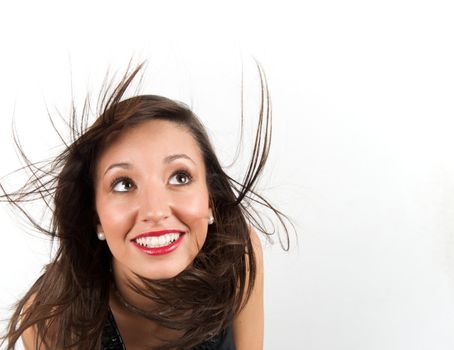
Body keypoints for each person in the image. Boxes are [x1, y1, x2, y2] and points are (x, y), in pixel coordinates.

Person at [0, 62, 290, 350]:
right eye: (124, 184)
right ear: (95, 215)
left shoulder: (239, 253)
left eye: (180, 177)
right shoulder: (52, 318)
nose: (154, 211)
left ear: (210, 199)